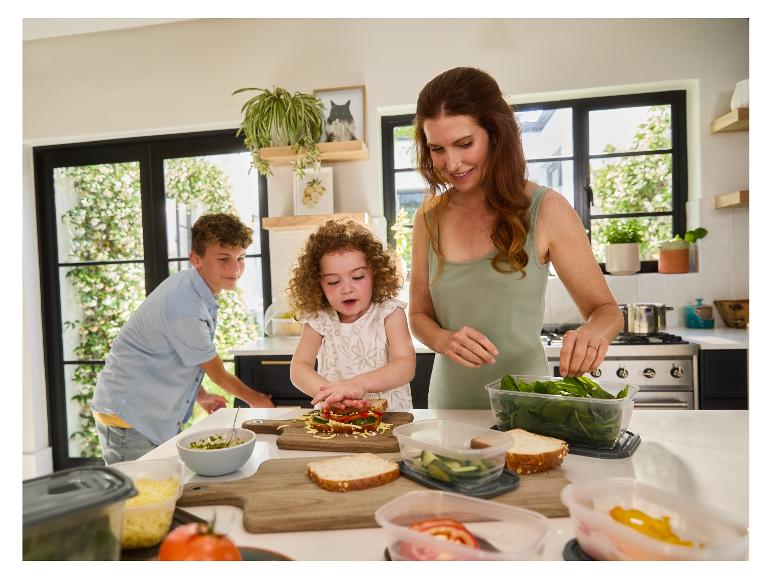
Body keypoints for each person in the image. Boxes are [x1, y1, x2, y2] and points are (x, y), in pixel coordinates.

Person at [409, 67, 624, 410]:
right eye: (437, 149)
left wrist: (594, 333)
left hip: (527, 405)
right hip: (448, 406)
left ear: (496, 133)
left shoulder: (546, 209)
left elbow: (607, 311)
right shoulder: (428, 217)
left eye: (465, 144)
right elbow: (419, 314)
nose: (452, 163)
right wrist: (444, 340)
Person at [92, 213, 274, 464]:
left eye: (240, 258)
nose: (235, 268)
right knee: (138, 498)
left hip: (142, 415)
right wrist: (259, 401)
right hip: (130, 416)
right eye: (223, 259)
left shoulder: (194, 288)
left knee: (162, 489)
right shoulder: (185, 304)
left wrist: (202, 396)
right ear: (195, 259)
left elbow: (173, 356)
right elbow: (217, 372)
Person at [288, 219, 416, 410]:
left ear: (375, 274)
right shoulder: (320, 319)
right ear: (318, 284)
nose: (347, 289)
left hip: (390, 418)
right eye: (333, 281)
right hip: (337, 416)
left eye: (357, 277)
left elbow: (405, 365)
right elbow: (299, 368)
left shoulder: (389, 313)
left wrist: (359, 384)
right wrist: (332, 395)